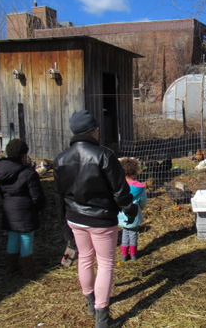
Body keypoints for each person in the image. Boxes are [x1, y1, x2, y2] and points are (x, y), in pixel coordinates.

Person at [54, 110, 138, 328]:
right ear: (92, 130)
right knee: (106, 263)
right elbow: (120, 190)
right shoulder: (104, 155)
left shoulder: (61, 158)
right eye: (97, 128)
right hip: (101, 219)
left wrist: (64, 219)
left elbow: (59, 194)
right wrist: (130, 209)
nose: (99, 131)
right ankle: (102, 317)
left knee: (84, 258)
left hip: (75, 217)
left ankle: (91, 303)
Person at [0, 138, 46, 278]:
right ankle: (28, 268)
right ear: (23, 155)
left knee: (13, 236)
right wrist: (39, 207)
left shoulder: (0, 171)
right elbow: (36, 195)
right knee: (26, 237)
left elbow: (1, 191)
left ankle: (12, 266)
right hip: (25, 210)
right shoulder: (28, 173)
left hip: (8, 208)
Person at [118, 158, 147, 262]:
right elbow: (143, 202)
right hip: (134, 214)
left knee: (125, 233)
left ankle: (124, 255)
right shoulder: (140, 188)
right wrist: (140, 208)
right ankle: (134, 254)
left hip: (121, 214)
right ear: (135, 172)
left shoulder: (118, 186)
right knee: (133, 234)